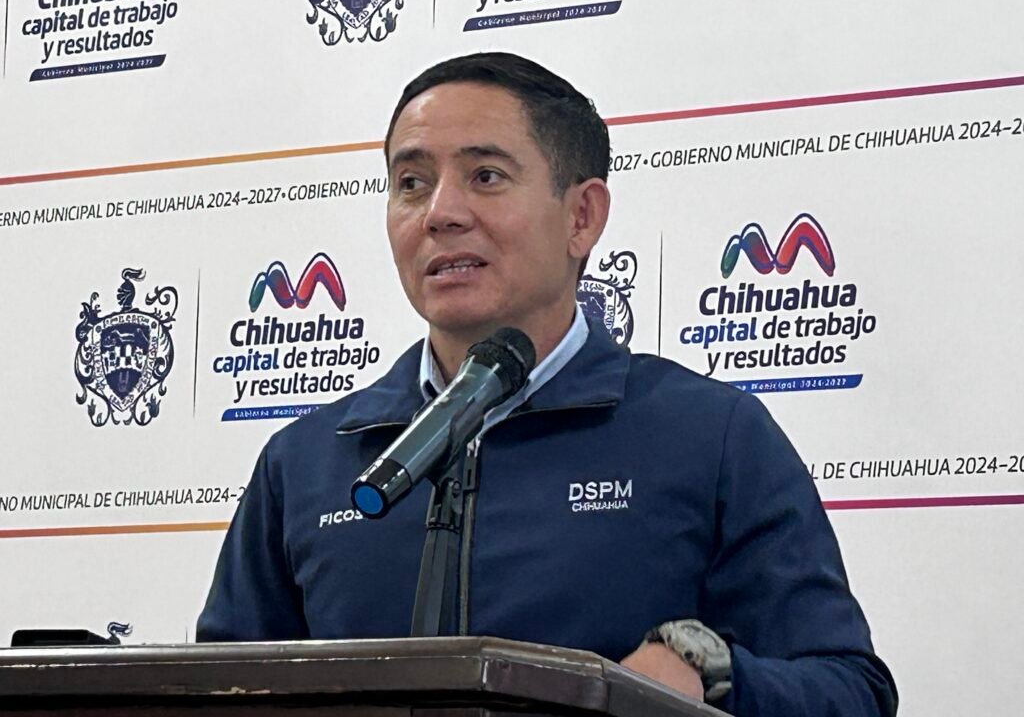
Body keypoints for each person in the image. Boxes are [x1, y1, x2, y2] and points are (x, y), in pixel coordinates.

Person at [197, 52, 897, 717]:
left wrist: (708, 672)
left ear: (581, 217)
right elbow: (215, 693)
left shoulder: (710, 435)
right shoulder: (308, 459)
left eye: (485, 176)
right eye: (411, 183)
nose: (440, 212)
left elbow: (849, 692)